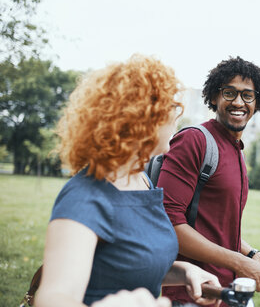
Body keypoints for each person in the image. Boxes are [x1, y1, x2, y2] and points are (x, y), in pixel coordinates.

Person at [35, 55, 221, 307]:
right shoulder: (85, 197)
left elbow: (128, 265)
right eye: (172, 109)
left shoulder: (141, 181)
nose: (177, 119)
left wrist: (185, 271)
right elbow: (52, 299)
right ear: (143, 119)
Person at [158, 56, 260, 305]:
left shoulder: (236, 149)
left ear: (257, 102)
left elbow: (217, 226)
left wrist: (253, 254)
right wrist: (240, 262)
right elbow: (168, 223)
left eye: (247, 95)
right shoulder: (195, 141)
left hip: (229, 293)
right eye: (229, 93)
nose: (238, 102)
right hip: (192, 294)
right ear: (214, 97)